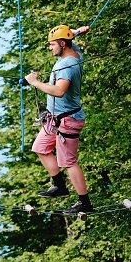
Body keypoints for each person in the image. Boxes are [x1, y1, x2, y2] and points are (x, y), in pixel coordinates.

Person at [25, 25, 93, 214]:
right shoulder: (73, 51)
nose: (50, 48)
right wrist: (77, 31)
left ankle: (85, 203)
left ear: (63, 44)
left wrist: (35, 83)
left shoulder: (67, 66)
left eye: (52, 44)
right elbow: (72, 38)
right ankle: (59, 186)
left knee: (68, 162)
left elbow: (59, 91)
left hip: (68, 120)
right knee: (40, 148)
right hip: (55, 119)